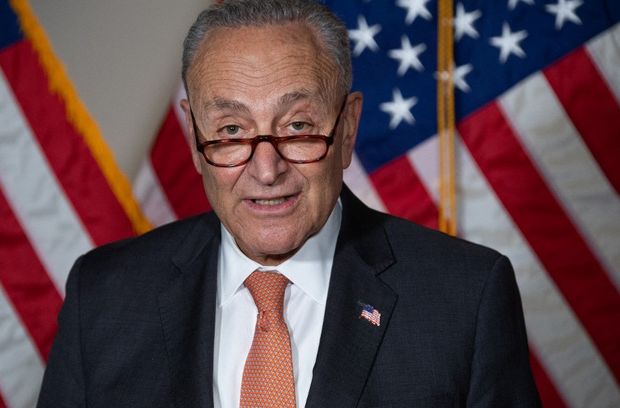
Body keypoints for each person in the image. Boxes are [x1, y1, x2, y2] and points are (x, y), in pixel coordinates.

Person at [37, 0, 542, 407]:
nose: (266, 169)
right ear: (194, 136)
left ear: (347, 129)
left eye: (297, 126)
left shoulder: (465, 299)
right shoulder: (103, 297)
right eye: (230, 131)